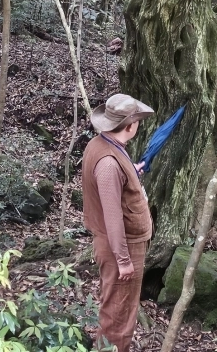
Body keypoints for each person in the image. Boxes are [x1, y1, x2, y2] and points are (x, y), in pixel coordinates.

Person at [82, 93, 155, 352]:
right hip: (120, 248)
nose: (138, 124)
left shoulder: (103, 144)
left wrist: (130, 172)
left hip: (118, 245)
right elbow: (113, 217)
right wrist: (124, 261)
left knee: (116, 310)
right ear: (129, 126)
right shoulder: (109, 164)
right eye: (136, 121)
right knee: (119, 317)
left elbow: (111, 182)